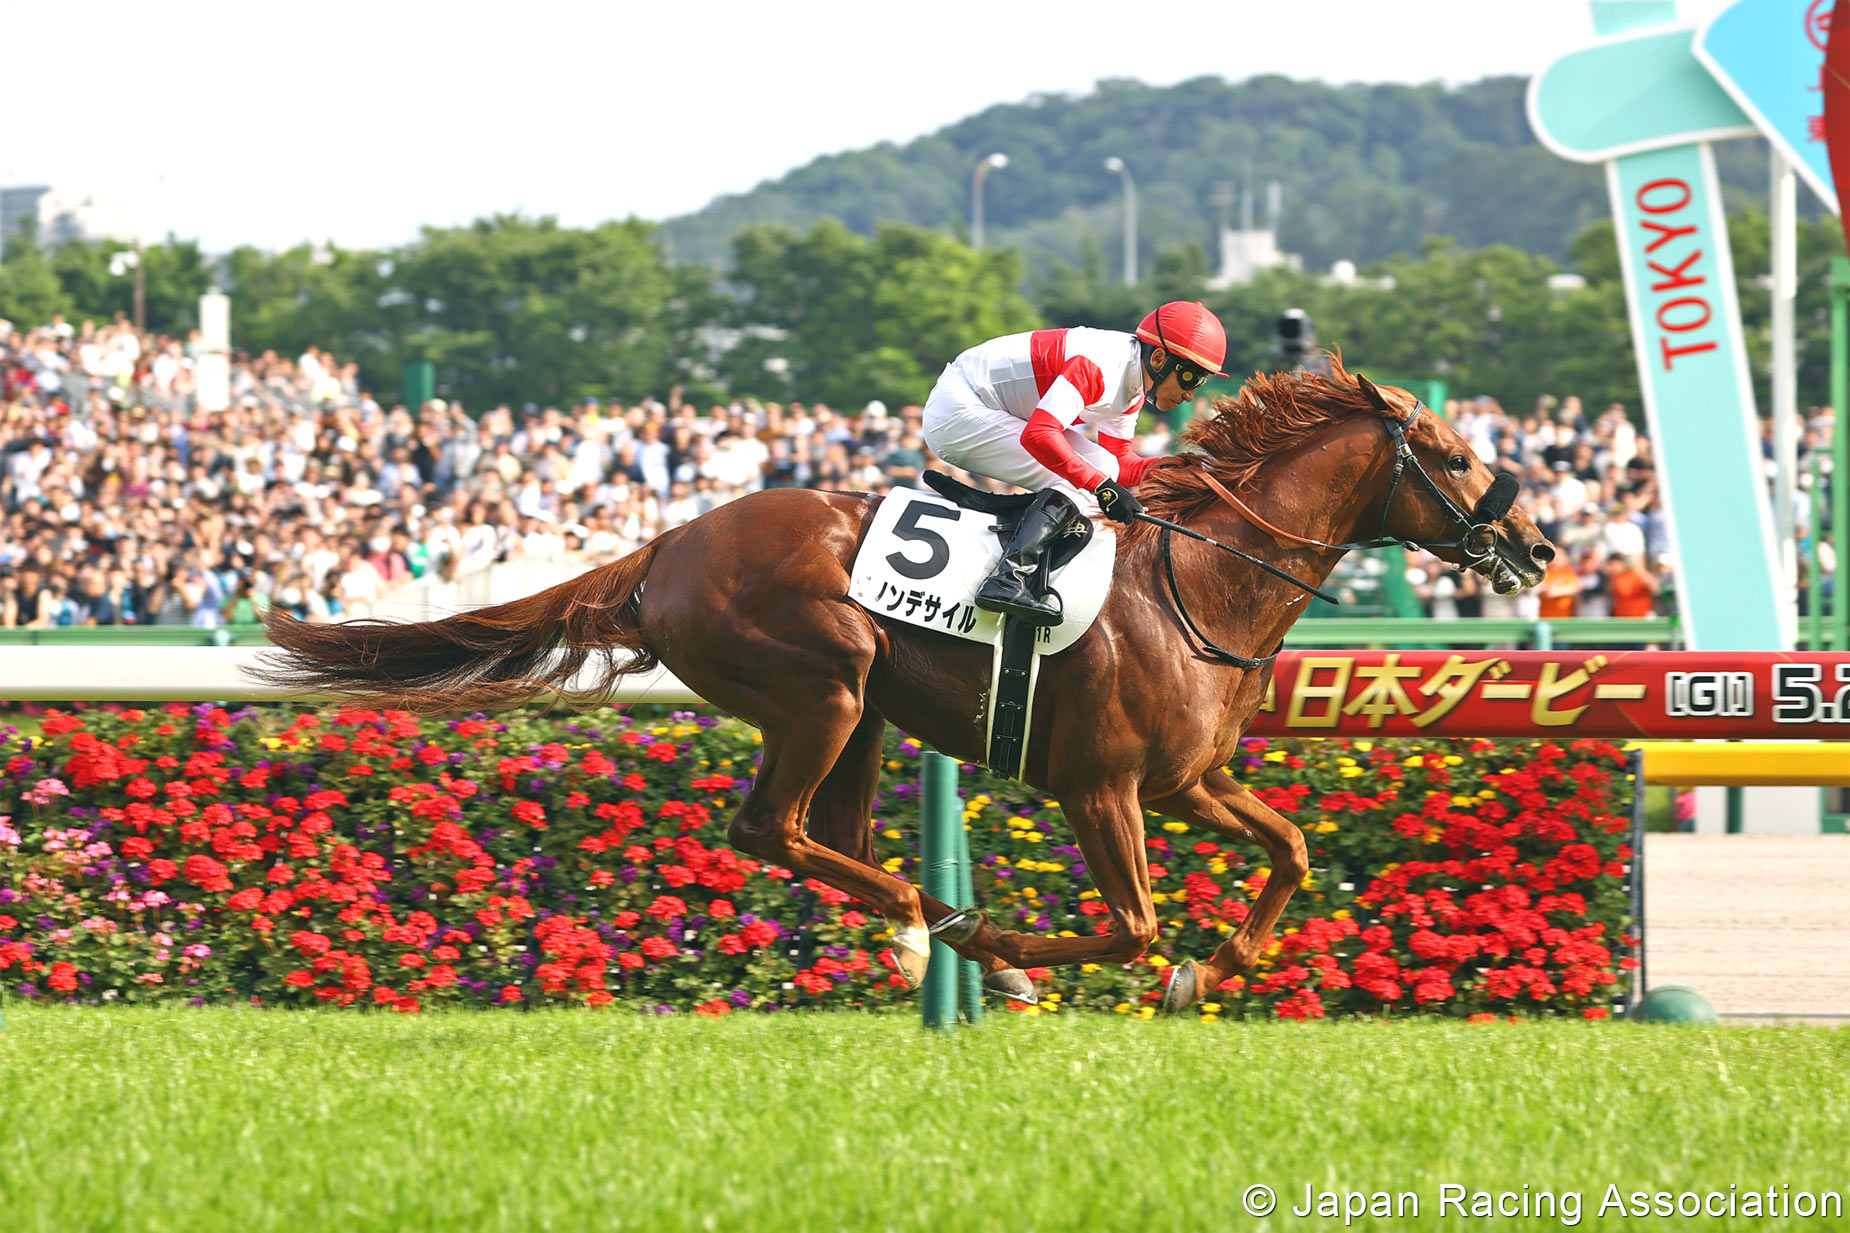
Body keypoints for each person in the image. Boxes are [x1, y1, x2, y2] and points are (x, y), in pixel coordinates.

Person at [920, 302, 1226, 625]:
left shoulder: (1134, 383)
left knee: (1101, 466)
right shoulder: (1102, 366)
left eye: (1200, 382)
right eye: (1190, 377)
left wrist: (1178, 468)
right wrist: (1101, 486)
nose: (1191, 395)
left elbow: (1120, 463)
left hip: (988, 407)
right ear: (1159, 359)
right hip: (957, 410)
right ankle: (1008, 579)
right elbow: (1039, 436)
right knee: (1089, 476)